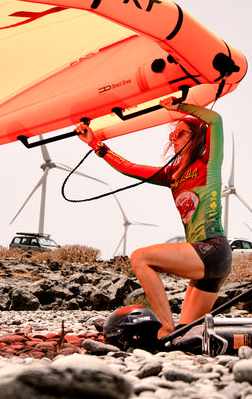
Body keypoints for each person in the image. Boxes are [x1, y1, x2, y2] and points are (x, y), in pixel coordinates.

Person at [76, 98, 230, 339]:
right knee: (182, 337)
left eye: (180, 133)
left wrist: (179, 106)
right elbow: (129, 167)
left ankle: (165, 325)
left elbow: (215, 120)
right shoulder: (172, 174)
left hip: (212, 248)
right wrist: (95, 143)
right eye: (172, 134)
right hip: (207, 261)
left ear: (196, 137)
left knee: (140, 257)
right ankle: (174, 337)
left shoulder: (208, 163)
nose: (173, 137)